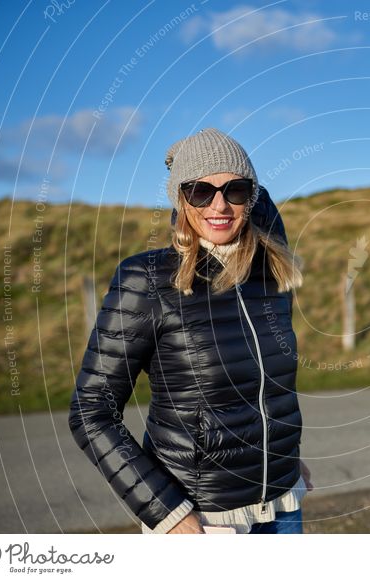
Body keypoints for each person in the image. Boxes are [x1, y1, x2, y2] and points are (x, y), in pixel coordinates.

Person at [68, 128, 312, 534]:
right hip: (203, 521)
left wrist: (283, 457)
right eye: (199, 191)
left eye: (235, 190)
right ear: (180, 199)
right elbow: (91, 412)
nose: (219, 204)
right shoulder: (146, 279)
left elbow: (267, 391)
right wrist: (167, 511)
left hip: (283, 505)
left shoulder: (268, 275)